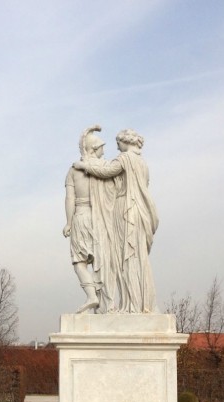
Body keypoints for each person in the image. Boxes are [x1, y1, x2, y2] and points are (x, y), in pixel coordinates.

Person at [74, 128, 158, 313]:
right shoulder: (142, 163)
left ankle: (133, 306)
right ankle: (143, 304)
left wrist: (84, 166)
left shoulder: (125, 159)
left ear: (125, 141)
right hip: (140, 211)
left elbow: (106, 172)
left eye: (118, 142)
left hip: (126, 209)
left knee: (126, 258)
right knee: (138, 258)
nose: (116, 146)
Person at [63, 125, 111, 313]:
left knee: (80, 262)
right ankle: (105, 302)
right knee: (101, 261)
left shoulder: (74, 170)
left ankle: (92, 296)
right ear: (93, 149)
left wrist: (68, 222)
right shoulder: (105, 167)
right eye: (101, 147)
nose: (104, 151)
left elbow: (70, 198)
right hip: (100, 219)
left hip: (81, 217)